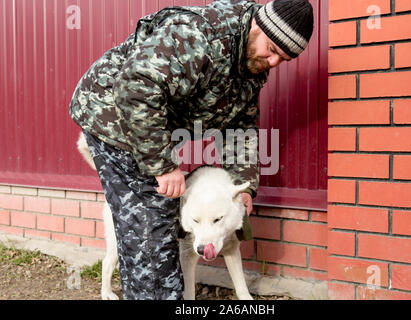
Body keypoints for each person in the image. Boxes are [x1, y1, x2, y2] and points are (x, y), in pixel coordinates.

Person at [69, 0, 314, 300]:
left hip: (147, 127)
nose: (274, 62)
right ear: (258, 26)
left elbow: (240, 127)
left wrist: (245, 185)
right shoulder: (200, 35)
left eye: (284, 59)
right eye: (273, 50)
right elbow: (137, 87)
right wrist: (162, 165)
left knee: (162, 227)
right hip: (112, 117)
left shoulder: (250, 65)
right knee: (151, 237)